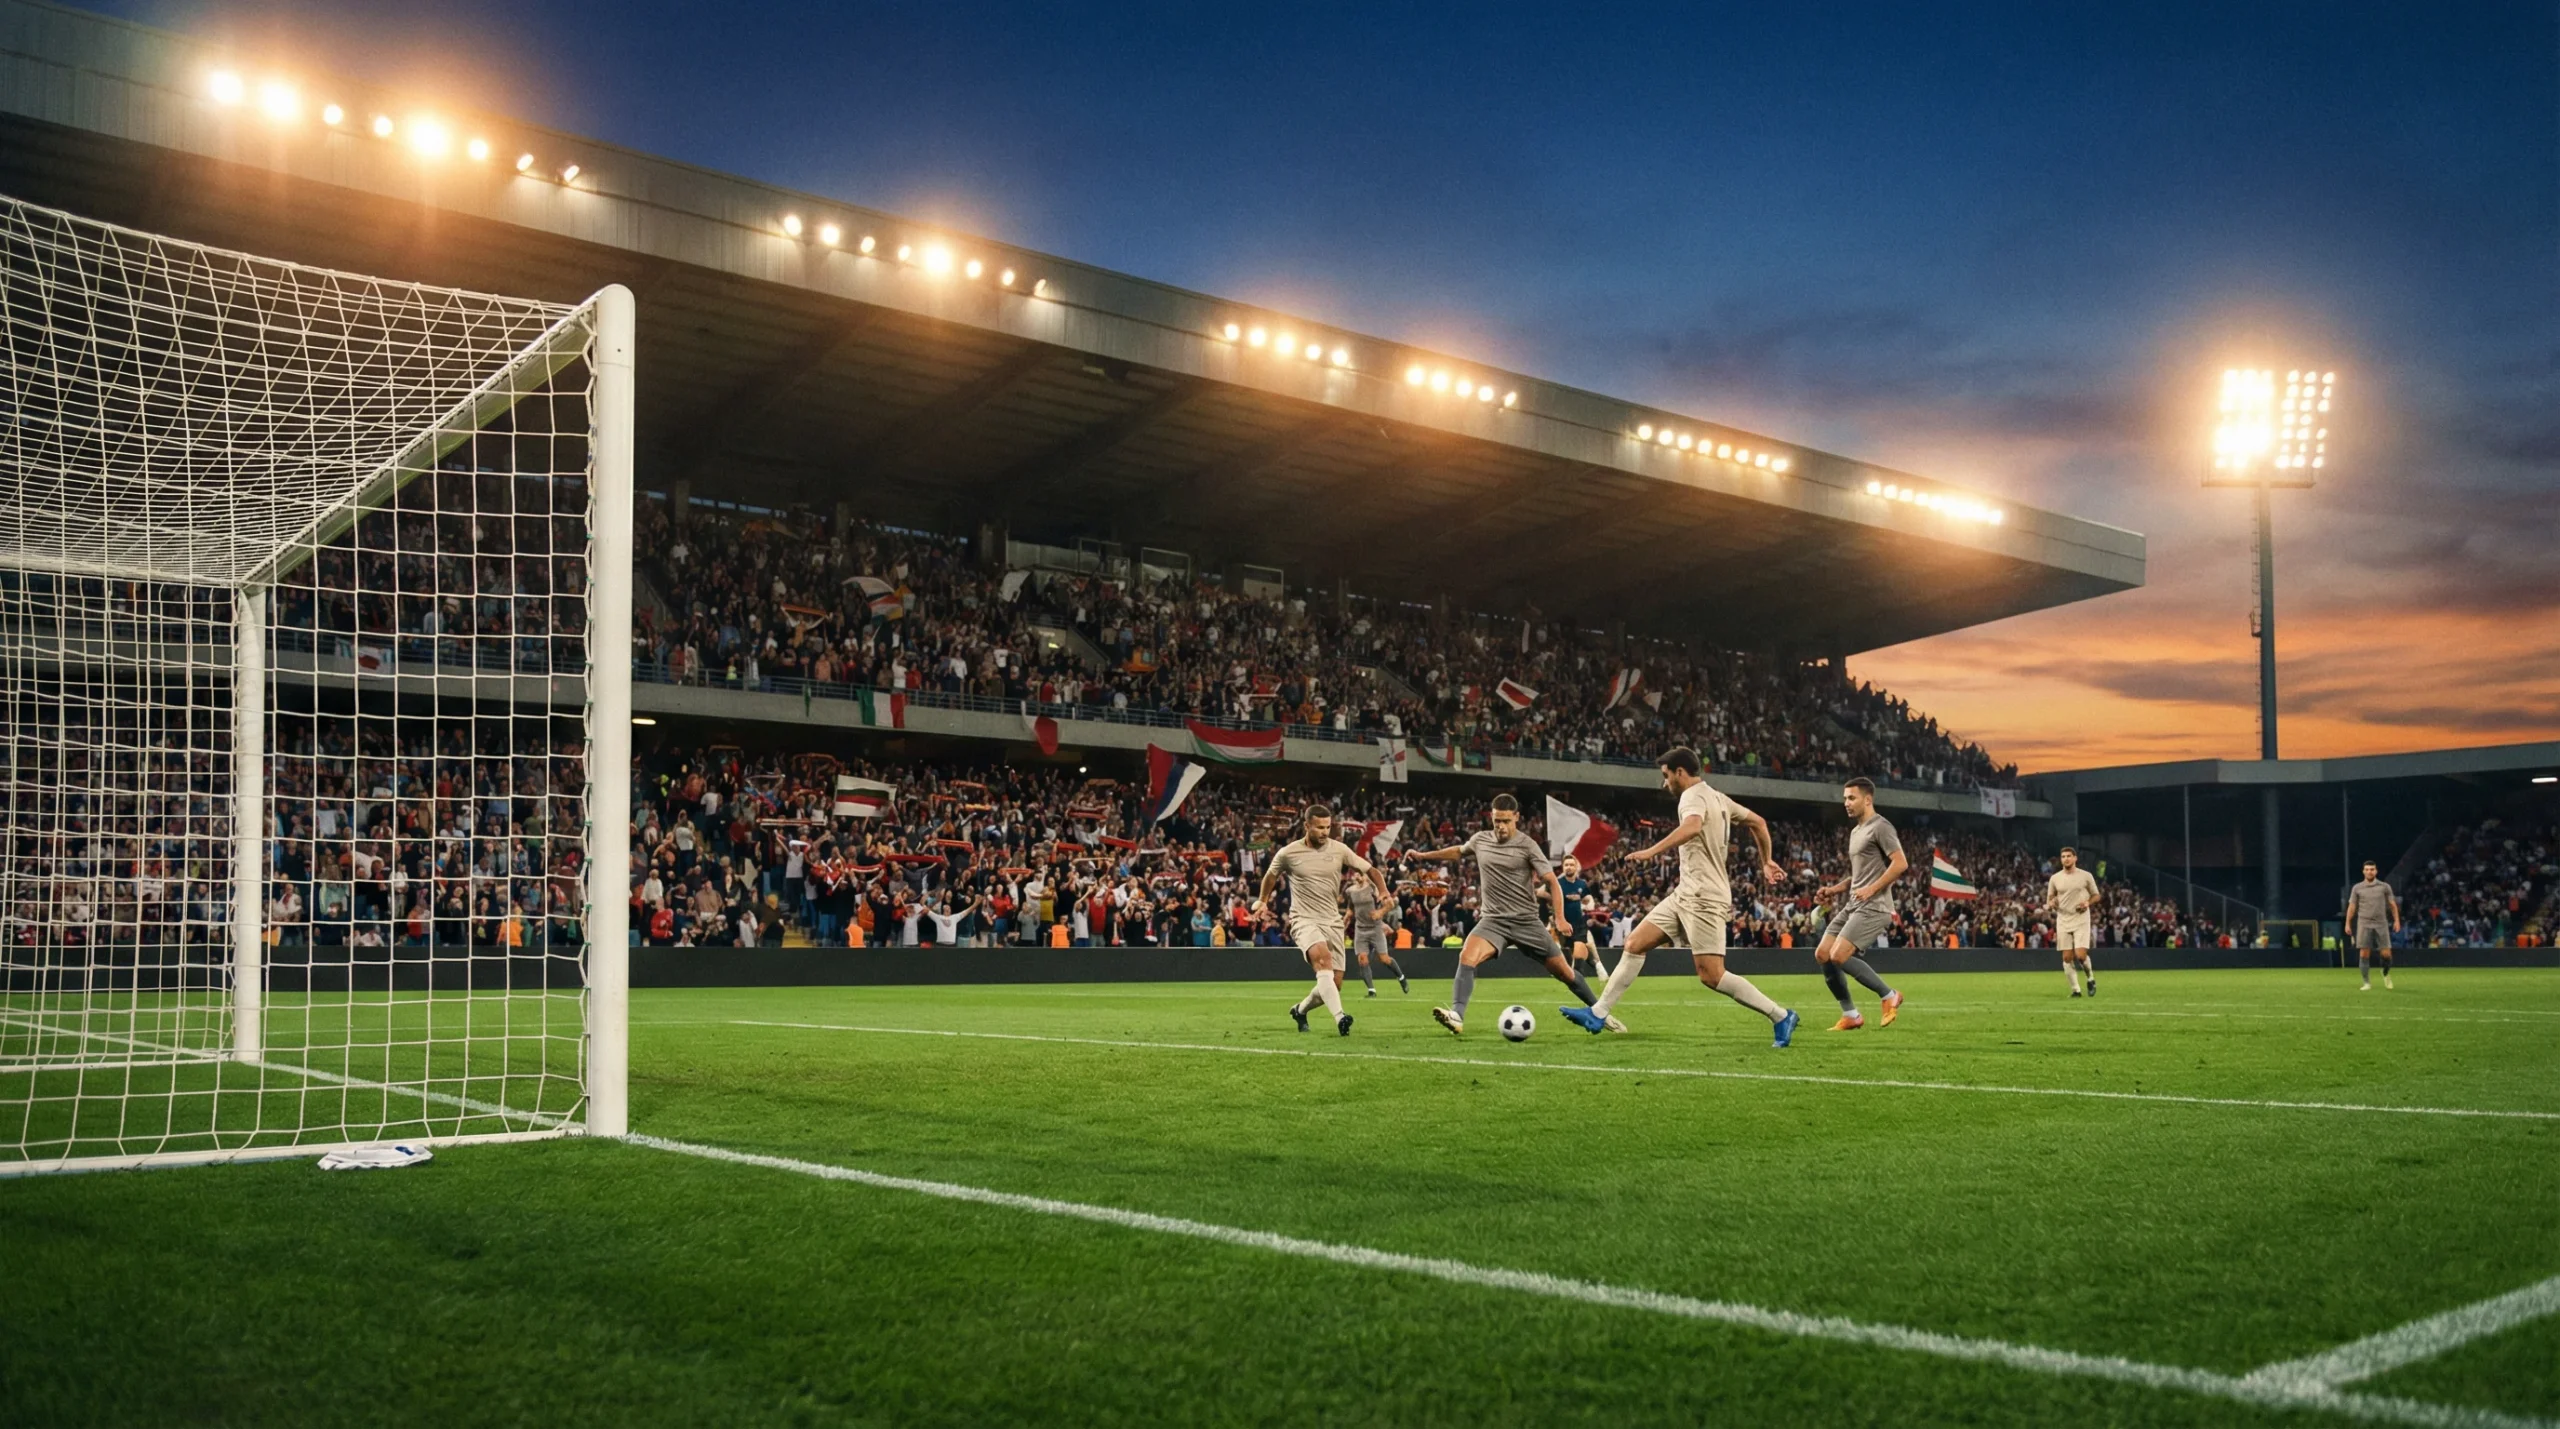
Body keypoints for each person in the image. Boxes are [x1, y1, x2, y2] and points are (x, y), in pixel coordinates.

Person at [1566, 746, 1798, 1048]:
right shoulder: (1719, 797)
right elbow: (1759, 822)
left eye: (1666, 777)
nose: (1665, 784)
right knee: (1635, 943)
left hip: (1704, 896)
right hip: (1686, 892)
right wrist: (1765, 860)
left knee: (1712, 976)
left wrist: (1651, 852)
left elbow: (1692, 826)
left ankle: (1780, 1015)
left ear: (1679, 772)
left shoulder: (1692, 796)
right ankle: (1598, 1014)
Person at [1405, 793, 1597, 1036]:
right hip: (1493, 921)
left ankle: (1600, 1011)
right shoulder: (1481, 840)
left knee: (1566, 974)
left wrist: (1559, 918)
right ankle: (1457, 1015)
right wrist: (1423, 856)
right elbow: (1458, 851)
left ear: (1516, 817)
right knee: (1467, 956)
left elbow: (1552, 882)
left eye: (1506, 821)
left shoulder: (1528, 845)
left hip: (1526, 921)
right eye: (1497, 821)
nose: (1500, 826)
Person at [1256, 804, 1389, 1035]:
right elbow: (1270, 875)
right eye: (1319, 827)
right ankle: (1340, 1018)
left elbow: (1372, 871)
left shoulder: (1339, 849)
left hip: (1332, 921)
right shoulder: (1288, 853)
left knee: (1334, 984)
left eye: (1327, 827)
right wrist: (1263, 900)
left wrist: (1383, 891)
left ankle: (1300, 1010)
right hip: (1304, 919)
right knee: (1323, 959)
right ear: (1307, 826)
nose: (1325, 832)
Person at [1811, 777, 1908, 1031]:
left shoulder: (1881, 827)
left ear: (1868, 799)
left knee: (1839, 955)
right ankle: (1851, 1015)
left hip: (1875, 906)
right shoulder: (1856, 832)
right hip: (1854, 903)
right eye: (1844, 798)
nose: (1846, 803)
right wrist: (1834, 889)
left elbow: (1900, 863)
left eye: (1851, 798)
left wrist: (1873, 889)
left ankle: (1889, 995)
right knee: (1823, 954)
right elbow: (1859, 876)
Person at [2045, 846, 2101, 997]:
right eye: (2063, 856)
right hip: (2063, 918)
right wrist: (2051, 904)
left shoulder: (2086, 876)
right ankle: (2076, 990)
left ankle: (2090, 978)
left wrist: (2088, 903)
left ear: (2075, 858)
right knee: (2066, 957)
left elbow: (2096, 895)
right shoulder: (2055, 878)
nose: (2066, 859)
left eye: (2069, 856)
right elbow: (2050, 899)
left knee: (2081, 955)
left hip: (2081, 917)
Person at [1344, 872, 1408, 996]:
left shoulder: (1373, 888)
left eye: (1360, 873)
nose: (1357, 875)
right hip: (1360, 929)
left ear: (1365, 875)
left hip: (1375, 928)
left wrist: (1380, 912)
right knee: (1362, 959)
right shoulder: (1350, 891)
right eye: (1355, 873)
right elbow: (1350, 909)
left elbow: (1390, 904)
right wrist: (1345, 920)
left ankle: (1401, 977)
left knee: (1384, 959)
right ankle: (1371, 991)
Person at [2345, 859, 2400, 990]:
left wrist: (2397, 920)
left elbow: (2392, 905)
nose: (2370, 872)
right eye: (2367, 869)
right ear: (2363, 871)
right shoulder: (2357, 888)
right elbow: (2352, 907)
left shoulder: (2384, 887)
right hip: (2364, 923)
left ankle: (2385, 973)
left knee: (2386, 954)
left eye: (2372, 869)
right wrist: (2347, 923)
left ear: (2376, 871)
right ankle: (2366, 982)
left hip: (2381, 923)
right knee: (2364, 953)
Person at [1556, 856, 1606, 985]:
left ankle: (1578, 979)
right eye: (1566, 865)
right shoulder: (1557, 883)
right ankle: (1596, 965)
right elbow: (1542, 892)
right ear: (1563, 867)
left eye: (1571, 865)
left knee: (1580, 950)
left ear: (1576, 867)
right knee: (1576, 949)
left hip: (1578, 923)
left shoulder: (1581, 884)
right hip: (1562, 923)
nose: (1569, 867)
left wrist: (1586, 901)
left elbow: (1588, 899)